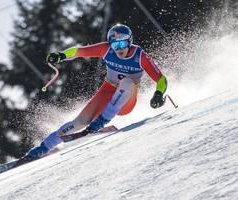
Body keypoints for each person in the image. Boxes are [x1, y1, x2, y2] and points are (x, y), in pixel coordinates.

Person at [24, 24, 167, 161]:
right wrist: (61, 55)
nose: (119, 49)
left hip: (126, 101)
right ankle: (41, 149)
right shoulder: (106, 50)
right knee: (79, 122)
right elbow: (78, 51)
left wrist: (159, 94)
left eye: (122, 44)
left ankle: (100, 122)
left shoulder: (139, 55)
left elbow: (161, 79)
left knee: (128, 82)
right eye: (115, 45)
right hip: (108, 91)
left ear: (129, 42)